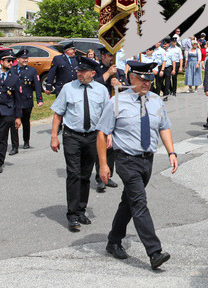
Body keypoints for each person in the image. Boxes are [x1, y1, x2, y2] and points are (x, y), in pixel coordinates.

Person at [97, 60, 179, 269]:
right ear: (131, 78)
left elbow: (164, 127)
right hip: (126, 160)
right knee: (139, 203)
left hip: (147, 160)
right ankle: (154, 252)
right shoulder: (117, 101)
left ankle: (113, 241)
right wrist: (104, 165)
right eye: (143, 79)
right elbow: (102, 134)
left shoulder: (156, 101)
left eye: (150, 79)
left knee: (129, 203)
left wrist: (171, 152)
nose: (147, 83)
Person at [50, 56, 110, 231]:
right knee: (74, 174)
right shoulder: (68, 88)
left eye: (83, 71)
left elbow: (107, 115)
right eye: (78, 71)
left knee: (85, 175)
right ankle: (72, 215)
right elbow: (58, 114)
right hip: (72, 136)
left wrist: (109, 135)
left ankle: (81, 210)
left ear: (92, 73)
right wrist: (54, 136)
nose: (79, 74)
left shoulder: (101, 90)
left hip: (92, 137)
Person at [93, 47, 125, 192]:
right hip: (101, 111)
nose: (112, 58)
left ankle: (108, 175)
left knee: (112, 146)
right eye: (109, 55)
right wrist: (107, 74)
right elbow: (94, 85)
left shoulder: (119, 71)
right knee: (101, 143)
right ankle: (100, 177)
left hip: (116, 110)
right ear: (102, 56)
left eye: (113, 55)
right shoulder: (97, 70)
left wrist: (119, 86)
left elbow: (127, 88)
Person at [9, 50, 43, 154]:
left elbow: (37, 85)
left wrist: (39, 99)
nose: (25, 60)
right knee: (14, 123)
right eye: (23, 58)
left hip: (26, 100)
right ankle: (14, 146)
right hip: (14, 101)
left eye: (26, 58)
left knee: (25, 121)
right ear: (17, 59)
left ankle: (26, 140)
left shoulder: (32, 70)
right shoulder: (12, 70)